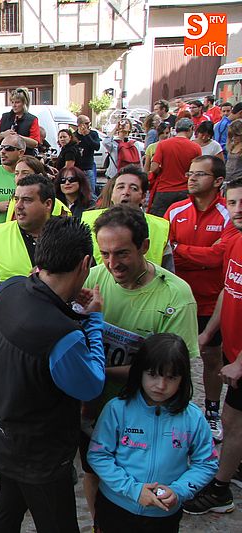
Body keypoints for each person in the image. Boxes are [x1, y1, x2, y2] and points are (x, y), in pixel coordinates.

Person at [80, 204, 199, 521]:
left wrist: (97, 372)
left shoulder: (176, 296)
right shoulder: (92, 279)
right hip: (94, 408)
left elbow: (174, 371)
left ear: (144, 246)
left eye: (121, 253)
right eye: (104, 253)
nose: (111, 264)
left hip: (144, 415)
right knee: (93, 470)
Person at [0, 216, 105, 533]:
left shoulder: (9, 289)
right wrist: (93, 319)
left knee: (8, 510)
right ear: (85, 263)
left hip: (2, 430)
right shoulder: (61, 335)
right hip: (40, 454)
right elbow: (91, 385)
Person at [88, 334, 217, 532]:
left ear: (183, 379)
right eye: (153, 374)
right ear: (139, 372)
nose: (160, 385)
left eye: (171, 377)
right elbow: (98, 455)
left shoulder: (193, 418)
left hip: (165, 514)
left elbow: (206, 463)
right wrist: (134, 490)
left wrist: (179, 491)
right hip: (116, 508)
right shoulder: (117, 409)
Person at [182, 178, 242, 516]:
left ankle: (220, 491)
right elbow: (227, 289)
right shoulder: (234, 241)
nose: (238, 210)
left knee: (233, 423)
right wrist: (210, 334)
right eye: (232, 203)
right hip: (232, 349)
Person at [164, 155, 232, 442]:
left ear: (217, 181)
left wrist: (182, 250)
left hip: (210, 302)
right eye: (190, 173)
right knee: (171, 356)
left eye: (200, 174)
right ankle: (172, 406)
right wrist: (203, 257)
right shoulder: (175, 210)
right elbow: (165, 251)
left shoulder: (229, 213)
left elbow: (220, 257)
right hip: (176, 298)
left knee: (211, 358)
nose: (191, 178)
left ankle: (212, 410)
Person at [82, 166, 172, 268]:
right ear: (112, 194)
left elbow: (168, 272)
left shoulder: (160, 228)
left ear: (143, 197)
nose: (126, 192)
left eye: (133, 188)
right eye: (120, 187)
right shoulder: (88, 222)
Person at [0, 174, 54, 281]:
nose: (18, 206)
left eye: (27, 200)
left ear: (47, 204)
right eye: (16, 199)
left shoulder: (68, 235)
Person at [149, 118, 203, 216]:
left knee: (159, 222)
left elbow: (154, 168)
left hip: (164, 190)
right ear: (191, 128)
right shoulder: (196, 148)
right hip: (185, 191)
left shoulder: (163, 145)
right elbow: (198, 170)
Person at [0, 88, 40, 155]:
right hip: (3, 157)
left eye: (17, 102)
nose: (14, 105)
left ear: (24, 103)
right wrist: (3, 134)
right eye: (12, 102)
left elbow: (35, 143)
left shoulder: (32, 119)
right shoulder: (5, 117)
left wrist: (17, 137)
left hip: (24, 157)